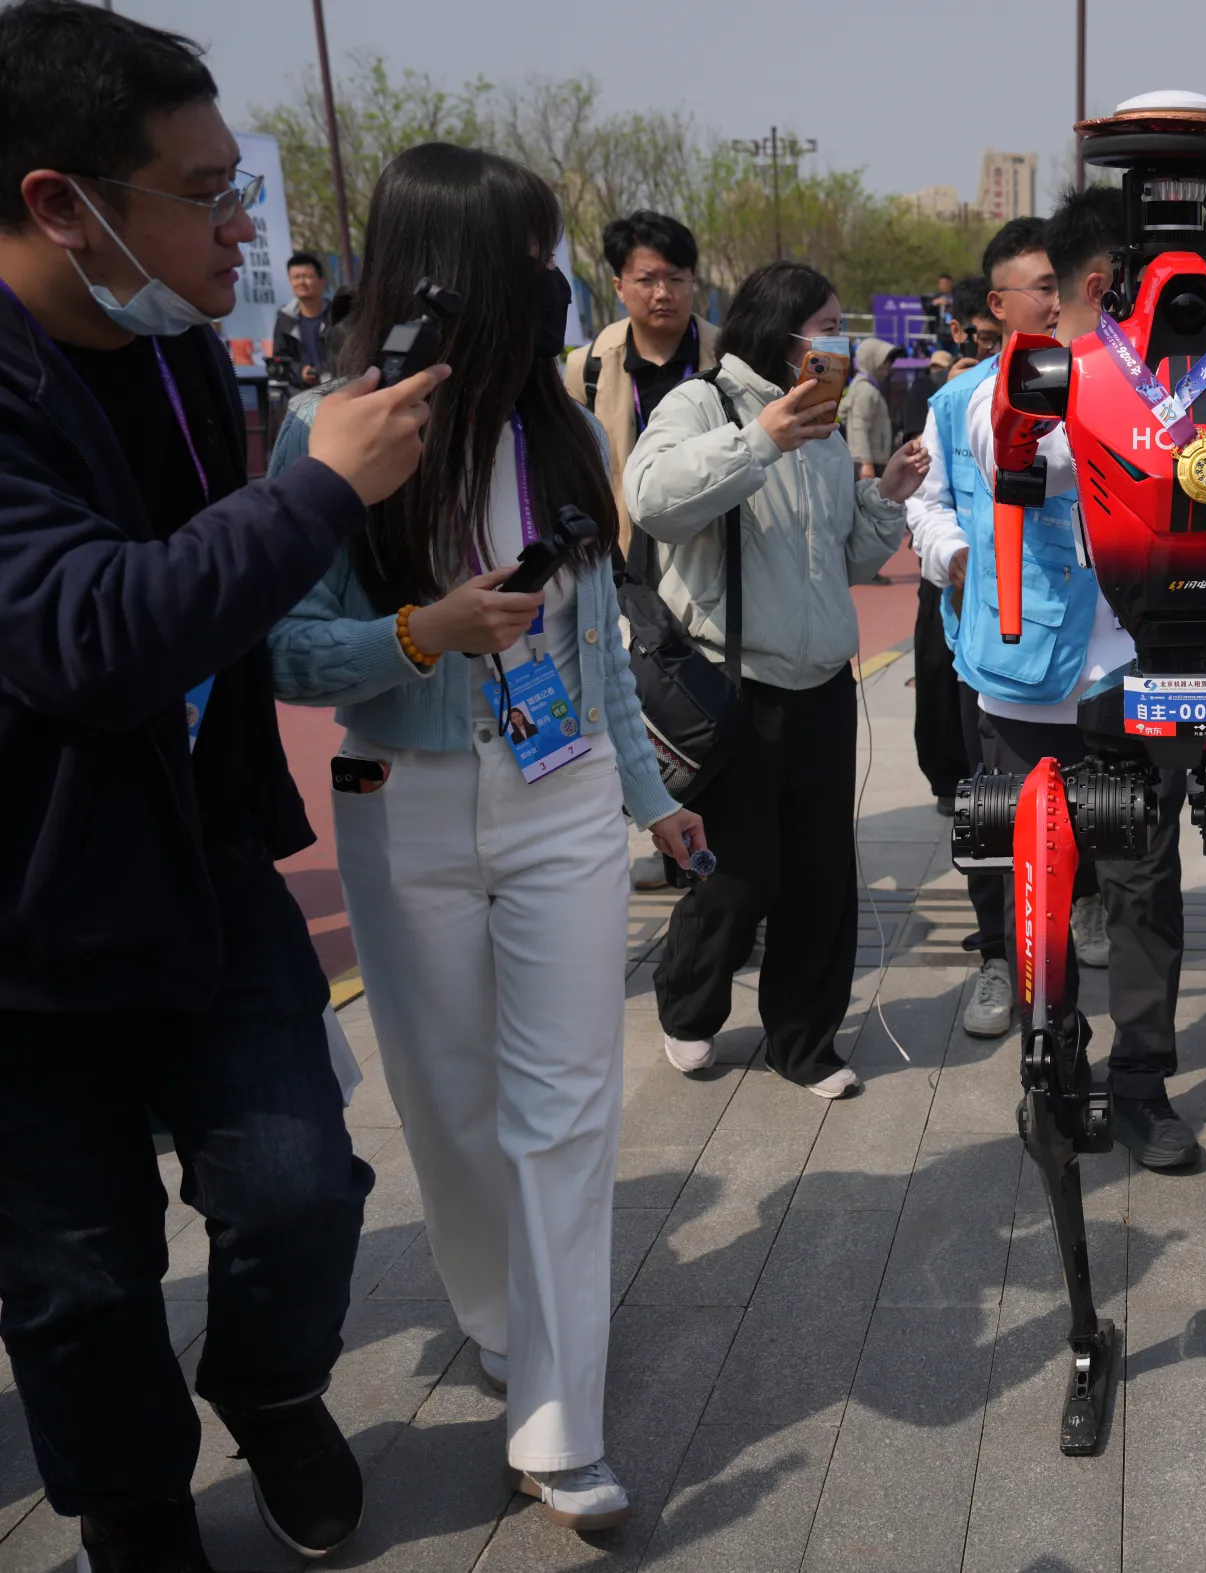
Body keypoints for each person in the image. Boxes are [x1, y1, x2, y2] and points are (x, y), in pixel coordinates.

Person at [0, 8, 440, 1566]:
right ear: (63, 203)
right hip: (29, 925)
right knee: (76, 1275)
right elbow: (90, 635)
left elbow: (218, 613)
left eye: (239, 185)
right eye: (204, 192)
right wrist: (320, 488)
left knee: (300, 1187)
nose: (245, 227)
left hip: (204, 864)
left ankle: (268, 1386)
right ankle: (132, 1506)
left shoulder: (186, 355)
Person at [269, 142, 701, 1537]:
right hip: (400, 801)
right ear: (447, 267)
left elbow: (598, 648)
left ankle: (563, 1419)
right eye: (528, 256)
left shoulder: (561, 427)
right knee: (450, 1108)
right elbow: (284, 648)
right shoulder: (328, 429)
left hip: (560, 800)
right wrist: (419, 634)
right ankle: (506, 1318)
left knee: (566, 1106)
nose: (551, 280)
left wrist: (646, 795)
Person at [919, 191, 1205, 1168]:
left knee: (1143, 887)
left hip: (1138, 679)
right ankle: (1059, 1072)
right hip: (1027, 684)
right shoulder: (988, 392)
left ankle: (1142, 1085)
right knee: (1038, 885)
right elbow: (1007, 466)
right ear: (1104, 284)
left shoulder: (1173, 383)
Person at [624, 260, 924, 1087]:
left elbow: (843, 561)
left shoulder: (825, 423)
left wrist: (886, 496)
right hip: (735, 686)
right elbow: (651, 499)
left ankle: (805, 1041)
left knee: (822, 875)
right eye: (826, 326)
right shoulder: (702, 403)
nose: (840, 342)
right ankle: (688, 1005)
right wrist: (760, 439)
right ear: (780, 330)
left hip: (823, 684)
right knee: (737, 873)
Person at [906, 226, 1048, 1039]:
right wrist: (956, 555)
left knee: (1099, 807)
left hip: (1093, 660)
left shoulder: (1111, 396)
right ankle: (997, 952)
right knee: (993, 812)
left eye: (1067, 287)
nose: (1057, 304)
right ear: (998, 304)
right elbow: (926, 504)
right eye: (1041, 288)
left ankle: (1081, 910)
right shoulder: (958, 401)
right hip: (991, 651)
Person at [561, 209, 720, 552]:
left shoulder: (729, 360)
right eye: (647, 281)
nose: (662, 293)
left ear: (693, 282)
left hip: (710, 550)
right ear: (619, 287)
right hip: (622, 552)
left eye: (675, 279)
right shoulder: (587, 368)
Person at [272, 247, 331, 384]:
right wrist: (300, 372)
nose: (301, 283)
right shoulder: (285, 319)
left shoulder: (338, 316)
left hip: (338, 388)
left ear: (322, 282)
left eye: (307, 277)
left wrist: (324, 371)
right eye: (296, 278)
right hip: (300, 392)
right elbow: (281, 359)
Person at [842, 335, 897, 479]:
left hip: (870, 459)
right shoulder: (866, 390)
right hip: (867, 462)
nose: (888, 365)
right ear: (871, 359)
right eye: (884, 360)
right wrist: (866, 463)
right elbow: (859, 426)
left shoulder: (867, 387)